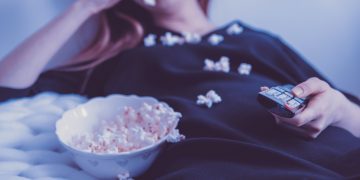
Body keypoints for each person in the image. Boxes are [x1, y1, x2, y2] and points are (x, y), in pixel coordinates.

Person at [0, 0, 359, 179]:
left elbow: (351, 116)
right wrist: (84, 7)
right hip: (215, 164)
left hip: (332, 155)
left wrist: (339, 108)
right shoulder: (121, 55)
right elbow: (7, 89)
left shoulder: (258, 41)